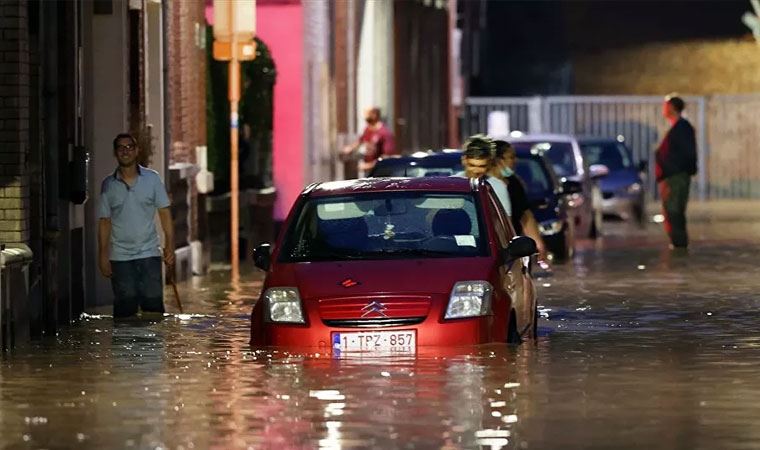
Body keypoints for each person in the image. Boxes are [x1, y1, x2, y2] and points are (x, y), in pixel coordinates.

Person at [98, 133, 175, 318]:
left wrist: (170, 245)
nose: (125, 151)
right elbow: (104, 221)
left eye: (129, 147)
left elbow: (164, 213)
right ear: (115, 153)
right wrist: (103, 254)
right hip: (120, 257)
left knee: (153, 308)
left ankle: (153, 347)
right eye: (121, 148)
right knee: (125, 310)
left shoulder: (152, 179)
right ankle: (125, 346)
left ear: (137, 151)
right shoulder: (108, 185)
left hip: (149, 253)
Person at [491, 140, 548, 261]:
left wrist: (538, 244)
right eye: (511, 157)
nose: (515, 161)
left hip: (514, 247)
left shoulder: (514, 184)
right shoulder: (482, 184)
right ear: (498, 160)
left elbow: (525, 215)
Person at [655, 94, 697, 249]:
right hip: (672, 177)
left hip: (675, 178)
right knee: (672, 212)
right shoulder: (678, 127)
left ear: (672, 107)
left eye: (666, 105)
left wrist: (671, 171)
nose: (663, 109)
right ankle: (677, 244)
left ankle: (679, 245)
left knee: (674, 212)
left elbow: (687, 154)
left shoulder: (682, 128)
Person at [454, 134, 512, 217]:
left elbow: (504, 225)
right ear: (464, 161)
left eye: (482, 166)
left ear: (489, 164)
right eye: (472, 165)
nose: (476, 171)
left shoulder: (498, 187)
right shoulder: (453, 184)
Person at [341, 107, 397, 175]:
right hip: (370, 171)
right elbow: (360, 140)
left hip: (381, 172)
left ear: (374, 115)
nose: (364, 117)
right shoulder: (367, 129)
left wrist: (368, 165)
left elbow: (386, 157)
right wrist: (350, 148)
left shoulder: (384, 133)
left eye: (367, 114)